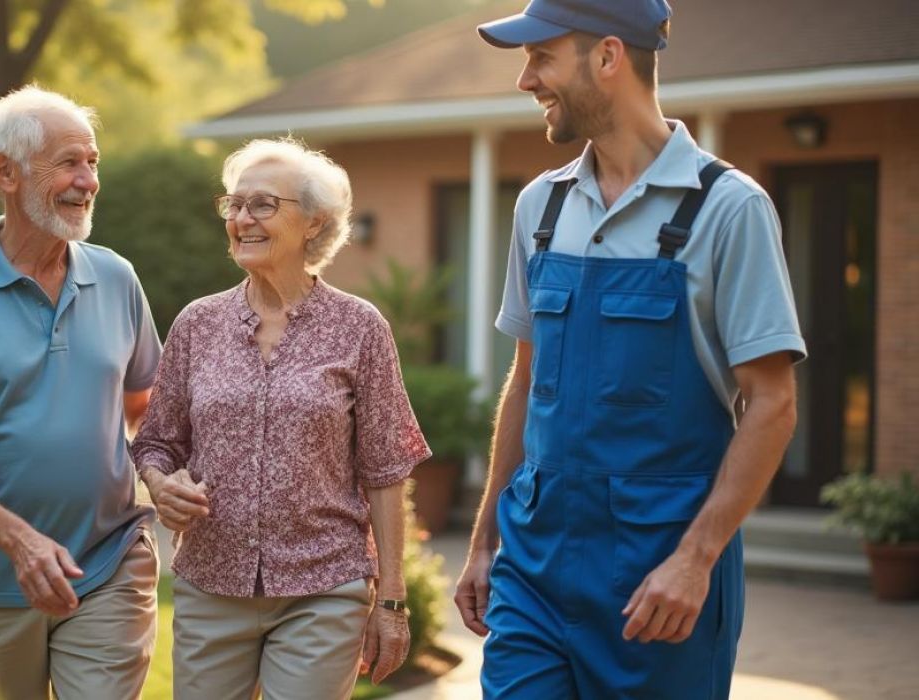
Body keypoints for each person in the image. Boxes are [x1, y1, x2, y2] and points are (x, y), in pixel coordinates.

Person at [455, 1, 807, 697]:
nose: (527, 80)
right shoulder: (540, 208)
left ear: (609, 57)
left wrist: (695, 560)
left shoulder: (728, 209)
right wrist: (483, 539)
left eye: (542, 57)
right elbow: (525, 383)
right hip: (535, 563)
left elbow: (772, 404)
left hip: (658, 578)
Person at [131, 138, 432, 700]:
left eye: (262, 205)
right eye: (234, 205)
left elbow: (387, 468)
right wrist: (159, 482)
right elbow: (156, 442)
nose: (242, 219)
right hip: (210, 585)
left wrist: (391, 599)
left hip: (322, 586)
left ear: (314, 223)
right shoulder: (198, 324)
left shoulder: (359, 328)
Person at [0, 86, 162, 700]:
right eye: (69, 162)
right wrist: (20, 541)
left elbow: (148, 408)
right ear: (5, 173)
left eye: (93, 162)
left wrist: (161, 476)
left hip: (108, 562)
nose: (88, 180)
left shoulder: (115, 277)